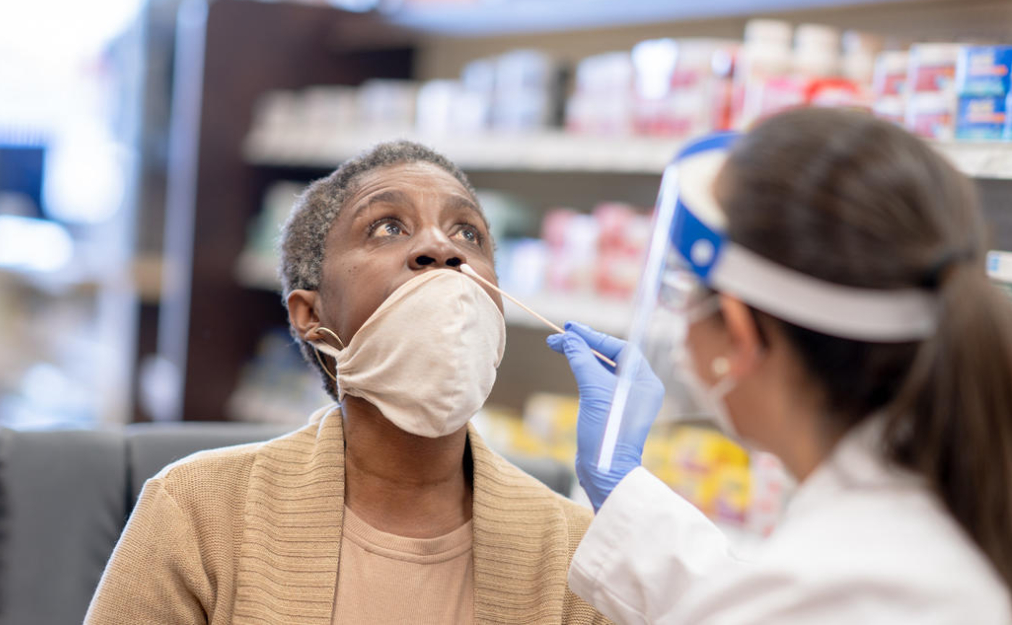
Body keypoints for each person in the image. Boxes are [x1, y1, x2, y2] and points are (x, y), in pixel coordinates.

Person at [86, 141, 609, 624]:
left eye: (467, 232)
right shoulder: (196, 514)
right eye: (387, 226)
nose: (442, 249)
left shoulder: (581, 555)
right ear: (311, 315)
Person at [548, 107, 1012, 623]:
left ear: (741, 334)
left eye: (688, 296)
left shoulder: (842, 590)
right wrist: (623, 489)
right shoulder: (940, 507)